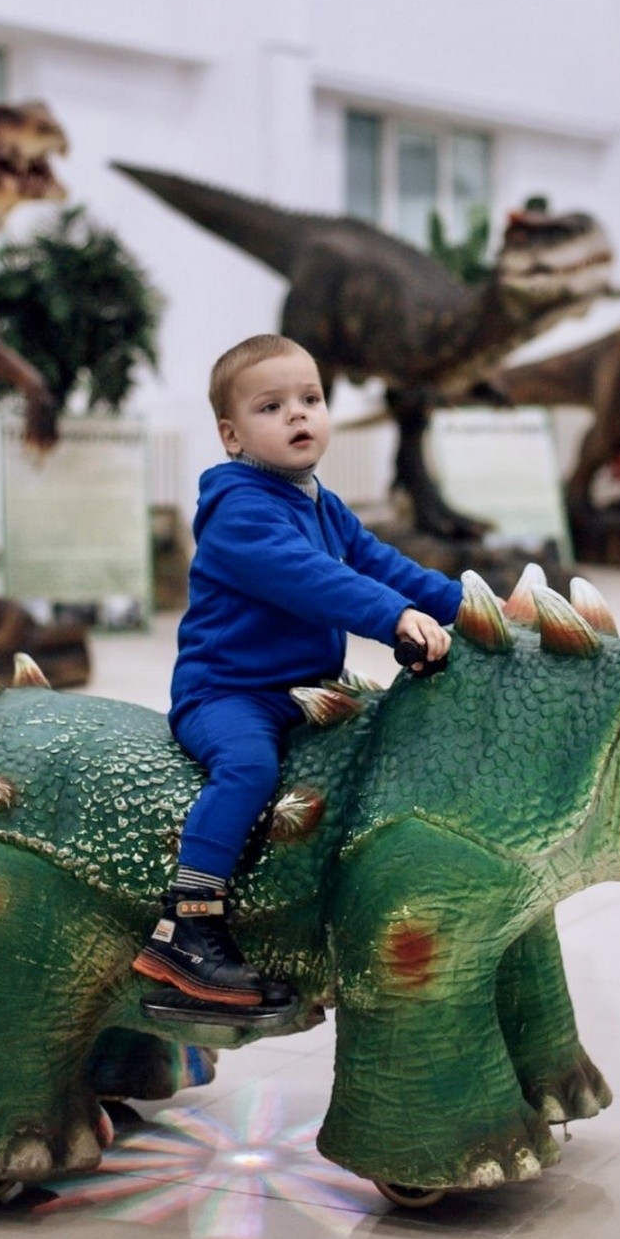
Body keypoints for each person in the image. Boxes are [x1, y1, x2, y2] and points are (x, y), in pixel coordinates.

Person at [132, 332, 462, 1017]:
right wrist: (395, 618)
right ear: (232, 435)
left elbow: (382, 563)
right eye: (271, 406)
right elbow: (313, 579)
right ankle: (189, 921)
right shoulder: (239, 510)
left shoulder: (319, 500)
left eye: (310, 398)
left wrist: (473, 605)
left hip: (302, 694)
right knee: (248, 768)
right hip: (229, 694)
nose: (298, 414)